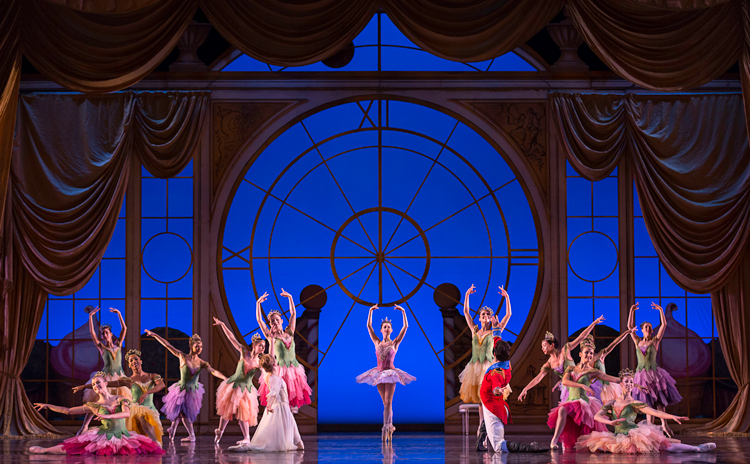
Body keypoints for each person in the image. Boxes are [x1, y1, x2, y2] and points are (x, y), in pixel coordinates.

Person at [577, 368, 716, 454]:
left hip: (633, 435)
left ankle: (697, 448)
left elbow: (656, 412)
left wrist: (673, 416)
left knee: (664, 446)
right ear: (621, 384)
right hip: (618, 436)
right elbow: (597, 416)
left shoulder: (635, 403)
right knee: (597, 447)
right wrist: (611, 422)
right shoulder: (612, 402)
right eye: (626, 382)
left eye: (631, 382)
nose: (629, 384)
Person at [30, 372, 164, 455]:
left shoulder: (120, 399)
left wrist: (108, 416)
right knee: (76, 448)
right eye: (94, 385)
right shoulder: (94, 405)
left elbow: (126, 414)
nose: (96, 386)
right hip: (104, 436)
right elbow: (68, 411)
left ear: (105, 383)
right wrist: (48, 406)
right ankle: (44, 450)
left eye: (98, 383)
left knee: (148, 450)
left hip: (122, 435)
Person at [477, 317, 550, 454]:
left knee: (498, 447)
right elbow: (498, 341)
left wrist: (497, 390)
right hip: (493, 402)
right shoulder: (506, 364)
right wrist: (496, 328)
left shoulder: (496, 373)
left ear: (494, 354)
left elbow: (496, 387)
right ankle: (480, 442)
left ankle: (529, 448)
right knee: (486, 421)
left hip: (492, 405)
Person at [144, 330, 226, 442]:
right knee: (180, 411)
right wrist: (155, 335)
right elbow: (168, 345)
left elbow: (213, 371)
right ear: (191, 346)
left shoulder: (201, 362)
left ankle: (176, 430)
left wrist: (225, 378)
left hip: (192, 392)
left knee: (183, 412)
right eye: (197, 346)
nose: (199, 349)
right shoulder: (182, 357)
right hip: (181, 389)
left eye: (201, 347)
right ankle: (186, 433)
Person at [73, 349, 165, 444]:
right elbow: (106, 384)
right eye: (131, 360)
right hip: (135, 410)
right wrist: (84, 386)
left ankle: (155, 445)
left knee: (150, 434)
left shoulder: (152, 376)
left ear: (140, 361)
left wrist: (147, 393)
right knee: (142, 421)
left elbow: (161, 385)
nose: (134, 362)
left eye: (136, 359)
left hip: (151, 409)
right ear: (129, 365)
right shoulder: (127, 380)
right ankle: (155, 444)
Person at [547, 336, 624, 450]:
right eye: (587, 352)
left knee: (592, 442)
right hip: (571, 401)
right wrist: (582, 385)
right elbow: (565, 381)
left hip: (584, 404)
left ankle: (598, 445)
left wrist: (628, 381)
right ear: (580, 354)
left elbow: (611, 378)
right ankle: (554, 440)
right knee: (562, 410)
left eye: (591, 353)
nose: (589, 355)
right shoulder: (570, 368)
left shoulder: (593, 372)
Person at [356, 303, 416, 442]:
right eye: (385, 327)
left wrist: (403, 311)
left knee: (389, 401)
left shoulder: (395, 343)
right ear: (381, 330)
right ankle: (390, 426)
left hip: (390, 374)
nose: (387, 328)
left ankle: (385, 427)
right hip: (378, 373)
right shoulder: (377, 342)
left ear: (391, 330)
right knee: (385, 403)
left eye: (389, 327)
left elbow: (405, 327)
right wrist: (370, 311)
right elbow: (368, 326)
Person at [457, 284, 511, 435]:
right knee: (481, 400)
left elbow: (508, 315)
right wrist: (467, 295)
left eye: (488, 314)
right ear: (479, 317)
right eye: (483, 314)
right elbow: (466, 312)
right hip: (474, 367)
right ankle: (482, 428)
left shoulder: (495, 331)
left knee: (487, 398)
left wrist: (506, 298)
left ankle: (488, 427)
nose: (485, 316)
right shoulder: (474, 330)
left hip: (488, 368)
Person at [517, 316, 605, 404]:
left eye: (544, 345)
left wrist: (594, 323)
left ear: (552, 345)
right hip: (568, 387)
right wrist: (525, 388)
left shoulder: (565, 350)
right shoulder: (548, 364)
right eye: (542, 346)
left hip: (580, 380)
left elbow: (581, 337)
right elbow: (538, 378)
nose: (542, 348)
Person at [228, 354, 304, 452]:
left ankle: (298, 442)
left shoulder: (269, 375)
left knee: (289, 427)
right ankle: (246, 447)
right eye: (274, 360)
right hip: (279, 408)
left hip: (283, 407)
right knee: (272, 437)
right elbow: (274, 392)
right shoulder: (273, 378)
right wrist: (269, 405)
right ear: (273, 363)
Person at [628, 302, 683, 436]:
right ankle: (650, 428)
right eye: (646, 327)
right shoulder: (637, 341)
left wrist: (660, 311)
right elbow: (629, 327)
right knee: (648, 402)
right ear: (642, 330)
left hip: (654, 374)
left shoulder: (655, 341)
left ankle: (664, 425)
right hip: (641, 375)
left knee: (659, 400)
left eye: (650, 327)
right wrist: (631, 311)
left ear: (652, 330)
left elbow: (664, 325)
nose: (648, 328)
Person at [256, 289, 313, 412]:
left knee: (292, 403)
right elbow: (260, 321)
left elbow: (293, 314)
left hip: (294, 369)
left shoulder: (290, 332)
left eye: (277, 320)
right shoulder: (271, 337)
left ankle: (289, 419)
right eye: (272, 321)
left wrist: (290, 298)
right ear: (270, 324)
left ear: (281, 321)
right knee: (281, 399)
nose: (275, 322)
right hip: (280, 369)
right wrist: (258, 304)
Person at [79, 306, 131, 435]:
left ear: (111, 334)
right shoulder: (102, 347)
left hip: (119, 377)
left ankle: (119, 428)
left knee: (120, 403)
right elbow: (92, 333)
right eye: (103, 334)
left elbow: (124, 329)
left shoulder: (118, 345)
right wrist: (90, 317)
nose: (105, 335)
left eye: (107, 333)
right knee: (97, 401)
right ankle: (85, 426)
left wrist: (119, 313)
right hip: (106, 377)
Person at [214, 317, 266, 445]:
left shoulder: (259, 362)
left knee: (244, 411)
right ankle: (220, 431)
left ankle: (247, 437)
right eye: (260, 345)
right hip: (234, 384)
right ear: (254, 346)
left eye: (264, 346)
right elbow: (231, 338)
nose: (262, 348)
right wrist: (222, 324)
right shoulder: (244, 352)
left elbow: (266, 374)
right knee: (227, 408)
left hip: (246, 389)